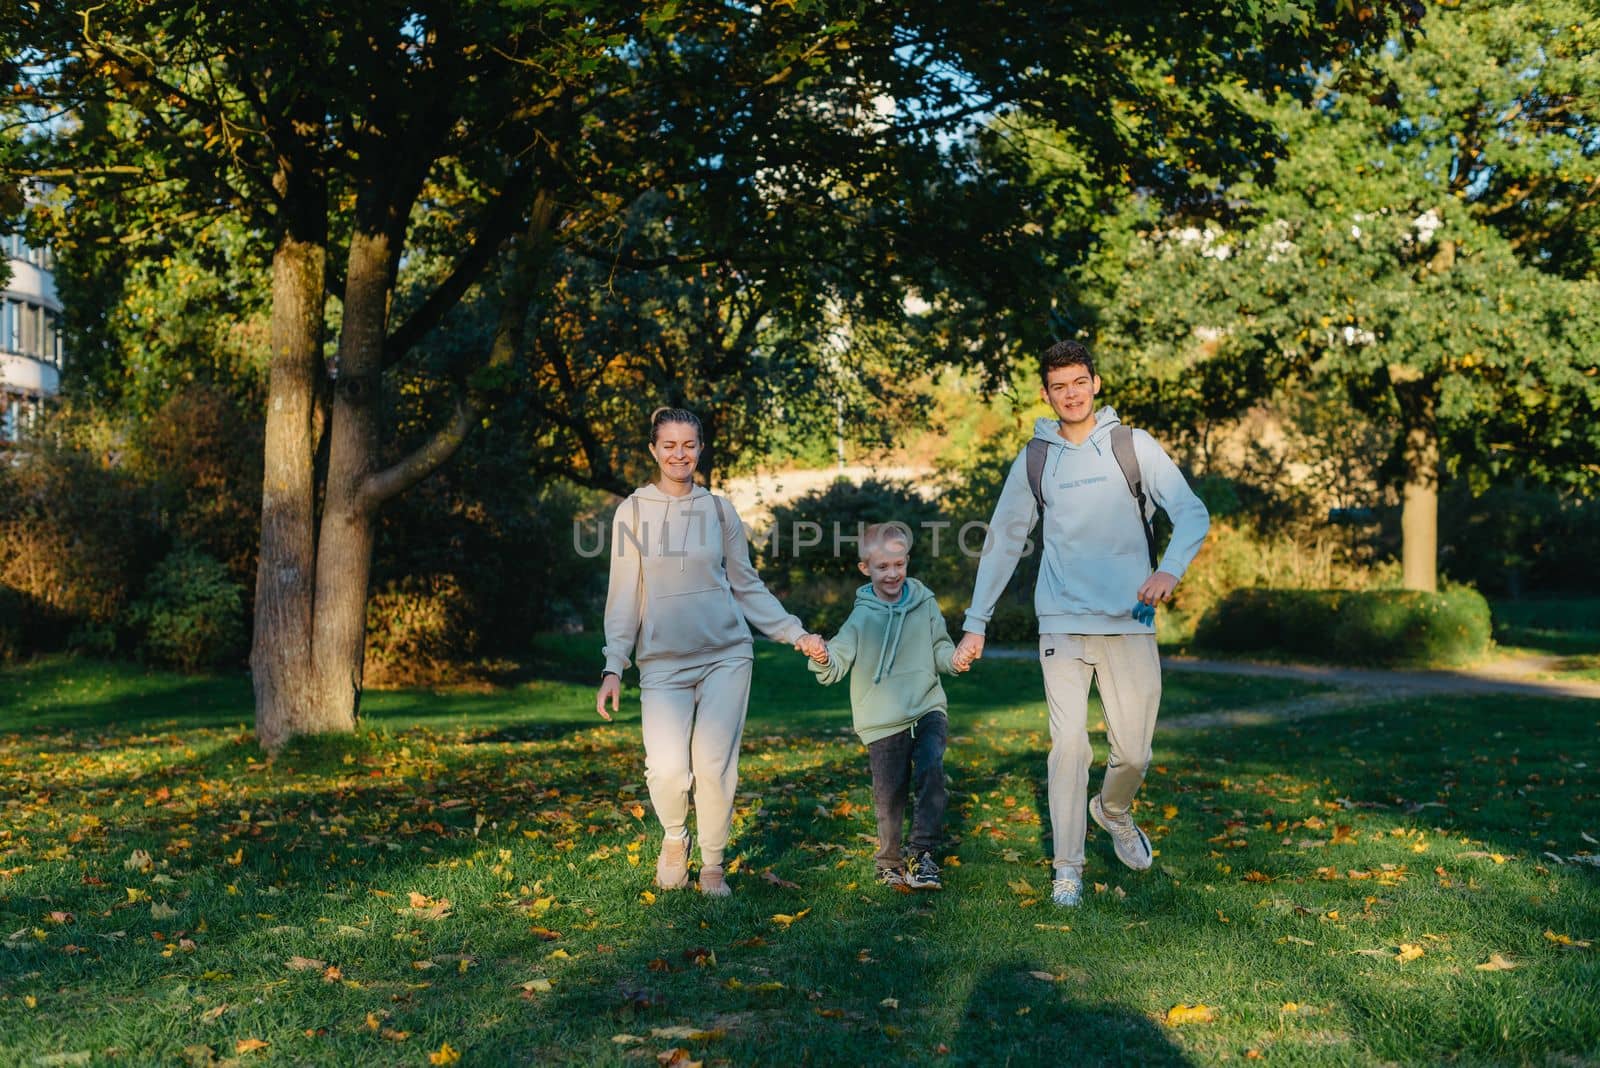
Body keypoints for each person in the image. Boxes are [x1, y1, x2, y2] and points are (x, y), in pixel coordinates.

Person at [951, 341, 1209, 907]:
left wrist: (1169, 569)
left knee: (1134, 754)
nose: (1070, 394)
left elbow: (1192, 511)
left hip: (1131, 620)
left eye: (1079, 382)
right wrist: (977, 623)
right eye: (1058, 386)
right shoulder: (1036, 459)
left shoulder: (1131, 446)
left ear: (1096, 384)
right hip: (1062, 622)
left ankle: (1112, 809)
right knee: (1068, 746)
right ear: (1046, 394)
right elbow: (1003, 541)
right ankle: (1068, 868)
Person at [596, 407, 827, 897]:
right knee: (667, 769)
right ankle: (676, 839)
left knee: (714, 763)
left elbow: (746, 586)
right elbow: (623, 595)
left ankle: (714, 865)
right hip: (661, 663)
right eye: (669, 445)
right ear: (653, 450)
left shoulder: (720, 510)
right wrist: (613, 665)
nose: (680, 454)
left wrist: (794, 633)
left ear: (700, 449)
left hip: (727, 653)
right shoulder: (632, 512)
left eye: (689, 445)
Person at [807, 522, 967, 890]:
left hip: (927, 705)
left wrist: (955, 659)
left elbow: (940, 647)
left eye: (899, 565)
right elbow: (836, 662)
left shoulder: (924, 603)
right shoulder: (861, 616)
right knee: (889, 793)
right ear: (866, 569)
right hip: (882, 719)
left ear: (907, 562)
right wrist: (821, 654)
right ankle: (890, 860)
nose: (892, 574)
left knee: (931, 771)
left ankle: (922, 854)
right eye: (883, 567)